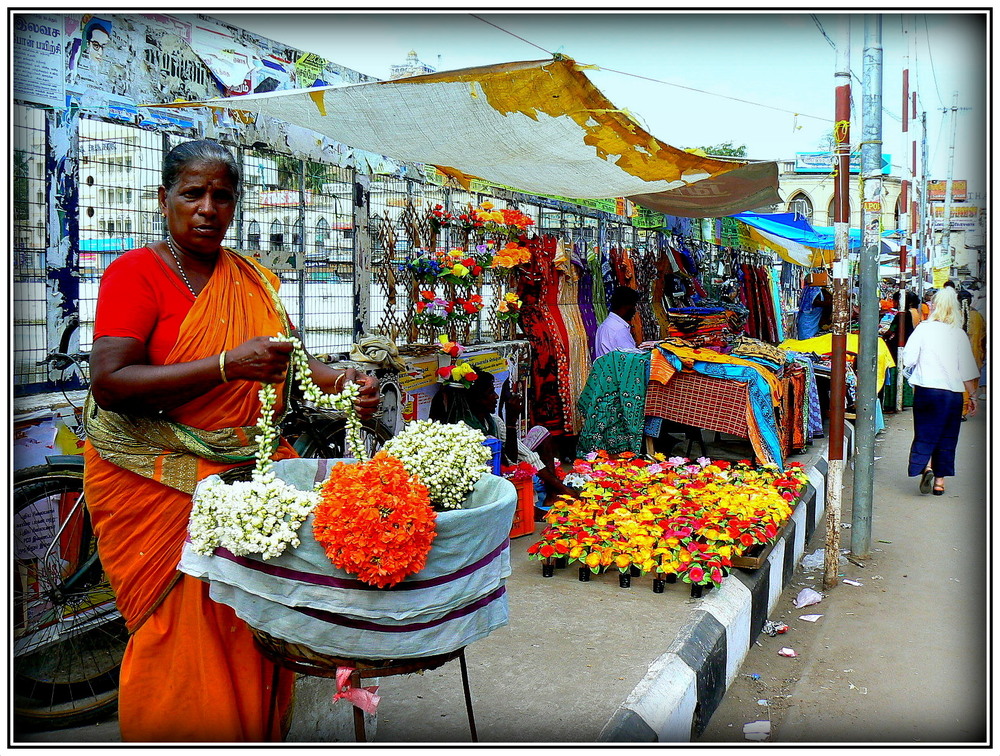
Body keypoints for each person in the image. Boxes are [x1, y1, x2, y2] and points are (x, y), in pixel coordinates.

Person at [82, 140, 380, 742]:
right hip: (154, 477)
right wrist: (223, 366)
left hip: (246, 475)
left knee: (255, 619)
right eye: (193, 193)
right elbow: (111, 382)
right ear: (164, 199)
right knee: (180, 628)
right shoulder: (134, 273)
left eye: (223, 196)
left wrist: (342, 382)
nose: (208, 208)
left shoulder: (254, 278)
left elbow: (290, 361)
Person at [428, 370, 576, 505]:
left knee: (540, 431)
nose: (496, 397)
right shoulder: (464, 429)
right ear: (475, 400)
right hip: (486, 480)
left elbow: (525, 455)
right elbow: (509, 461)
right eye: (491, 393)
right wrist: (511, 422)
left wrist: (560, 487)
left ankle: (553, 493)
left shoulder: (493, 420)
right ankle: (555, 492)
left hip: (506, 464)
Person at [899, 286, 980, 496]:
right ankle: (939, 482)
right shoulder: (958, 334)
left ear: (934, 306)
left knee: (925, 432)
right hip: (951, 394)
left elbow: (907, 359)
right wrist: (973, 396)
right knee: (947, 436)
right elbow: (968, 371)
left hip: (926, 391)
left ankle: (925, 467)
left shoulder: (923, 329)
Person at [594, 285, 640, 360]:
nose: (634, 310)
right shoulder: (619, 329)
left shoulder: (605, 325)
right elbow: (632, 360)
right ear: (625, 306)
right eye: (633, 306)